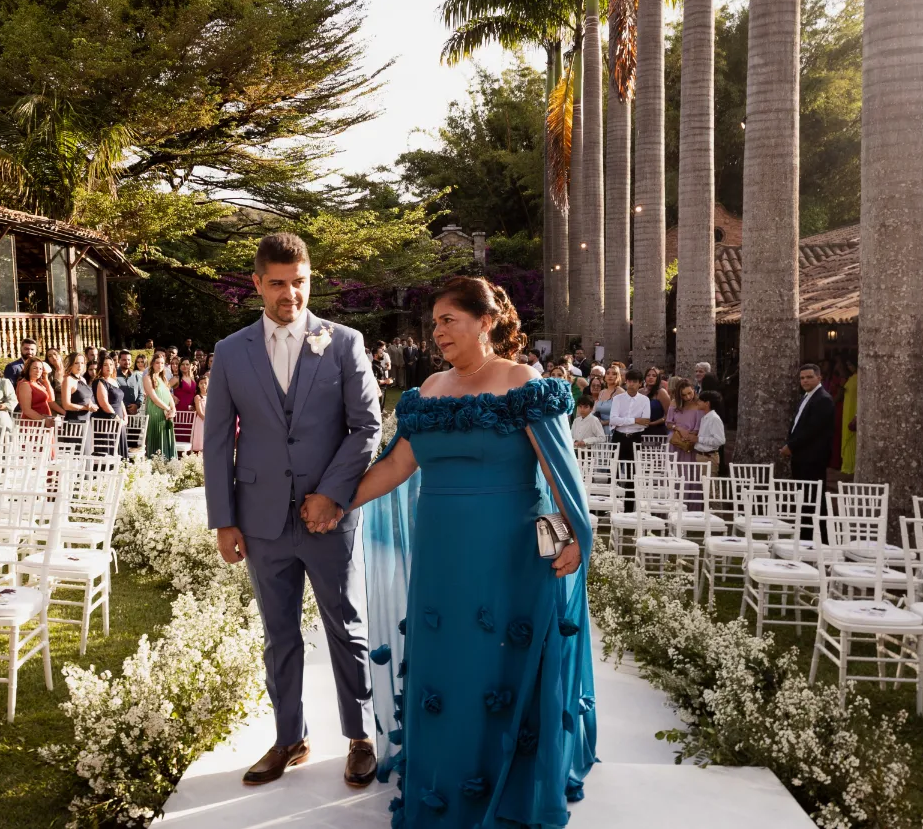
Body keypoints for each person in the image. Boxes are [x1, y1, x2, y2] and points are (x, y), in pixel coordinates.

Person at [349, 274, 595, 827]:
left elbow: (558, 468)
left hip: (505, 555)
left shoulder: (521, 380)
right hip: (440, 557)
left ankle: (500, 784)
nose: (437, 332)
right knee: (446, 668)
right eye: (434, 322)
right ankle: (444, 779)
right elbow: (395, 466)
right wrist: (337, 500)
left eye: (448, 320)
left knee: (493, 668)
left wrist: (576, 533)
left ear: (485, 322)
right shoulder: (429, 390)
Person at [203, 232, 381, 788]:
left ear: (311, 278)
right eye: (277, 283)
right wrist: (224, 519)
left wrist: (331, 493)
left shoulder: (345, 342)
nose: (290, 294)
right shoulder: (231, 352)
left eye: (299, 282)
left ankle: (358, 736)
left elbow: (367, 428)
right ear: (256, 283)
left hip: (328, 518)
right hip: (259, 521)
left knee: (345, 627)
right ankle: (289, 738)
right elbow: (216, 442)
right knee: (278, 634)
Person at [782, 364, 836, 484]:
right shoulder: (806, 396)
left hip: (813, 457)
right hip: (801, 455)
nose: (805, 380)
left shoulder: (823, 399)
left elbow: (812, 430)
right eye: (802, 378)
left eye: (809, 377)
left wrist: (791, 446)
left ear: (819, 378)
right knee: (802, 494)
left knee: (813, 496)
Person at [610, 367, 652, 463]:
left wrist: (622, 421)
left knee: (633, 470)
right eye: (629, 381)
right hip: (618, 436)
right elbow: (613, 420)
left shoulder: (645, 400)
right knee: (614, 469)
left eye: (634, 381)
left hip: (636, 437)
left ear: (640, 384)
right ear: (626, 382)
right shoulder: (617, 399)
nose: (631, 384)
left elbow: (645, 423)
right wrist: (635, 420)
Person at [92, 355, 128, 459]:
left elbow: (120, 401)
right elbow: (104, 403)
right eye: (105, 365)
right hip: (107, 421)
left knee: (120, 451)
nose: (109, 367)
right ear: (101, 367)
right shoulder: (99, 381)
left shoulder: (114, 381)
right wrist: (116, 417)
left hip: (119, 420)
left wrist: (125, 416)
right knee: (110, 453)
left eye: (111, 364)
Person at [60, 353, 99, 446]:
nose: (80, 366)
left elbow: (87, 398)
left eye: (82, 363)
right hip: (75, 422)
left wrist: (91, 405)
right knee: (77, 455)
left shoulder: (83, 379)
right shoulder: (68, 380)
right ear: (70, 364)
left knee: (87, 452)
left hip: (86, 420)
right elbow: (66, 405)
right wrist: (85, 408)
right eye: (76, 363)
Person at [143, 351, 176, 458]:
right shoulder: (147, 378)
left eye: (162, 363)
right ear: (152, 363)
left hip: (167, 413)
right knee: (157, 437)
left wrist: (173, 409)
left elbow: (169, 396)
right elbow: (154, 398)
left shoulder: (163, 378)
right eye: (157, 363)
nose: (160, 365)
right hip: (155, 412)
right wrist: (167, 409)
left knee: (167, 438)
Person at [666, 377, 706, 464]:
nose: (688, 397)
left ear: (693, 390)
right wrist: (679, 429)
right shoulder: (674, 403)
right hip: (675, 441)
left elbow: (698, 426)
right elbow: (668, 423)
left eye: (689, 393)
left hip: (690, 442)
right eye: (683, 395)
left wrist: (689, 437)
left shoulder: (699, 405)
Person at [694, 390, 727, 476]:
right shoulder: (705, 417)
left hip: (708, 457)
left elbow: (720, 440)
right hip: (702, 456)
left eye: (700, 400)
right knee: (705, 487)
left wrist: (698, 439)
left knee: (710, 487)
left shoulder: (714, 418)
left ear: (707, 403)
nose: (698, 402)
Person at [15, 357, 55, 425]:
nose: (38, 371)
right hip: (33, 424)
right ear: (28, 369)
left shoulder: (38, 384)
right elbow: (27, 410)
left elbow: (51, 399)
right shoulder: (25, 384)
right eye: (35, 368)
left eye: (40, 368)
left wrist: (46, 380)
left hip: (44, 422)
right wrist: (44, 420)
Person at [170, 359, 198, 444]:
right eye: (182, 364)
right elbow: (164, 389)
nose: (185, 366)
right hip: (179, 409)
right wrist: (173, 396)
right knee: (179, 431)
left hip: (190, 411)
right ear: (179, 366)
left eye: (187, 364)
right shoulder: (176, 378)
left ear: (190, 366)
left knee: (189, 432)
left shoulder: (193, 379)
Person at [840, 356, 859, 475]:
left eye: (851, 365)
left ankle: (852, 467)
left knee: (852, 437)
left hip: (854, 410)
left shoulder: (860, 378)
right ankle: (847, 465)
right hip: (847, 409)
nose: (849, 367)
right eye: (847, 365)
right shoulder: (851, 377)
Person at [642, 366, 671, 437]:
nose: (651, 377)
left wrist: (652, 423)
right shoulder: (640, 392)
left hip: (657, 431)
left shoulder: (661, 392)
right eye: (648, 375)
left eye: (654, 376)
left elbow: (669, 415)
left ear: (658, 378)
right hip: (641, 429)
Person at [116, 350, 144, 416]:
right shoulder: (114, 376)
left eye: (129, 360)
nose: (127, 362)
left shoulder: (136, 376)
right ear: (119, 361)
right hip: (121, 414)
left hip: (135, 414)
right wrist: (129, 407)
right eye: (124, 360)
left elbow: (141, 393)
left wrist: (136, 405)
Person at [189, 373, 208, 454]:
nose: (203, 385)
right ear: (198, 385)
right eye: (201, 383)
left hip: (211, 421)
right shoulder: (198, 397)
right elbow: (199, 412)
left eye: (205, 383)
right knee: (201, 440)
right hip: (201, 421)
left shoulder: (212, 396)